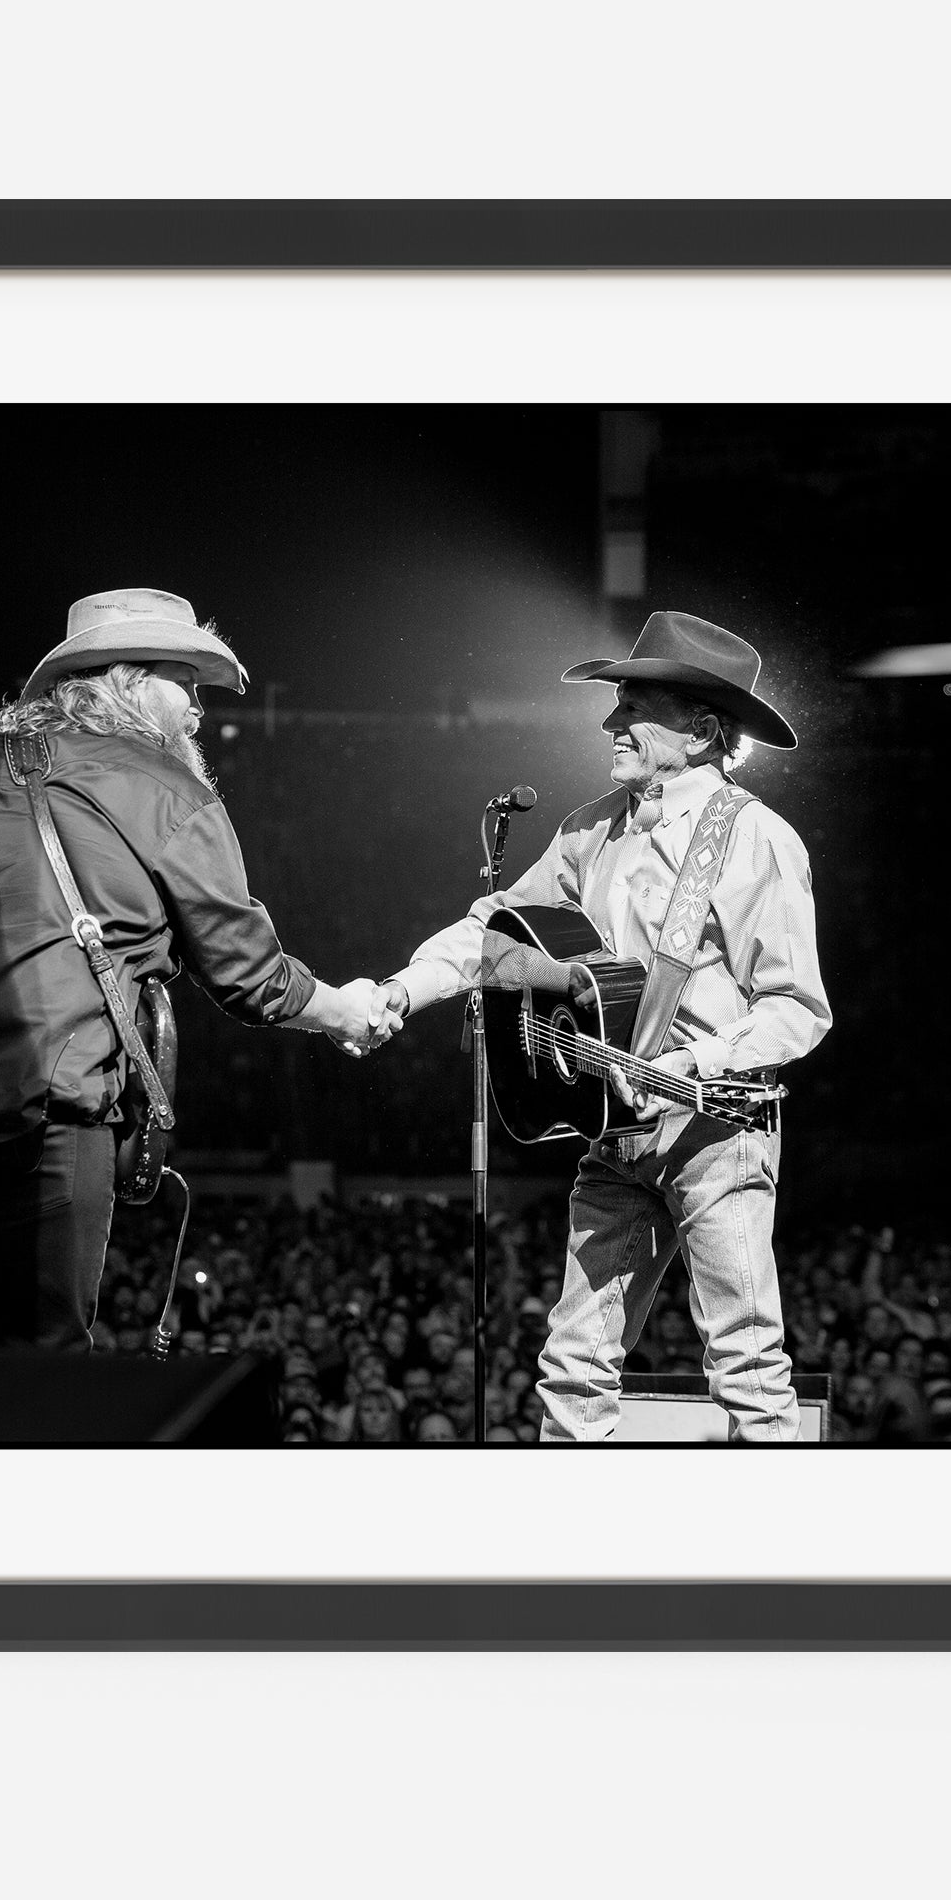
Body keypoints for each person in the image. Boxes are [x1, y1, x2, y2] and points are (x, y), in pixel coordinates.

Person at [0, 588, 390, 1343]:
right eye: (184, 681)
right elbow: (245, 973)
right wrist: (342, 1010)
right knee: (42, 1387)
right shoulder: (165, 787)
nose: (198, 708)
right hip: (39, 1114)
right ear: (125, 680)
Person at [358, 612, 831, 1440]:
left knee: (746, 1366)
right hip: (613, 1133)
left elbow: (797, 1007)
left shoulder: (756, 840)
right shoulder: (590, 827)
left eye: (634, 707)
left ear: (702, 730)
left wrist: (695, 1060)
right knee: (573, 1365)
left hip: (716, 1132)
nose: (610, 723)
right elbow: (495, 933)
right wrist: (405, 989)